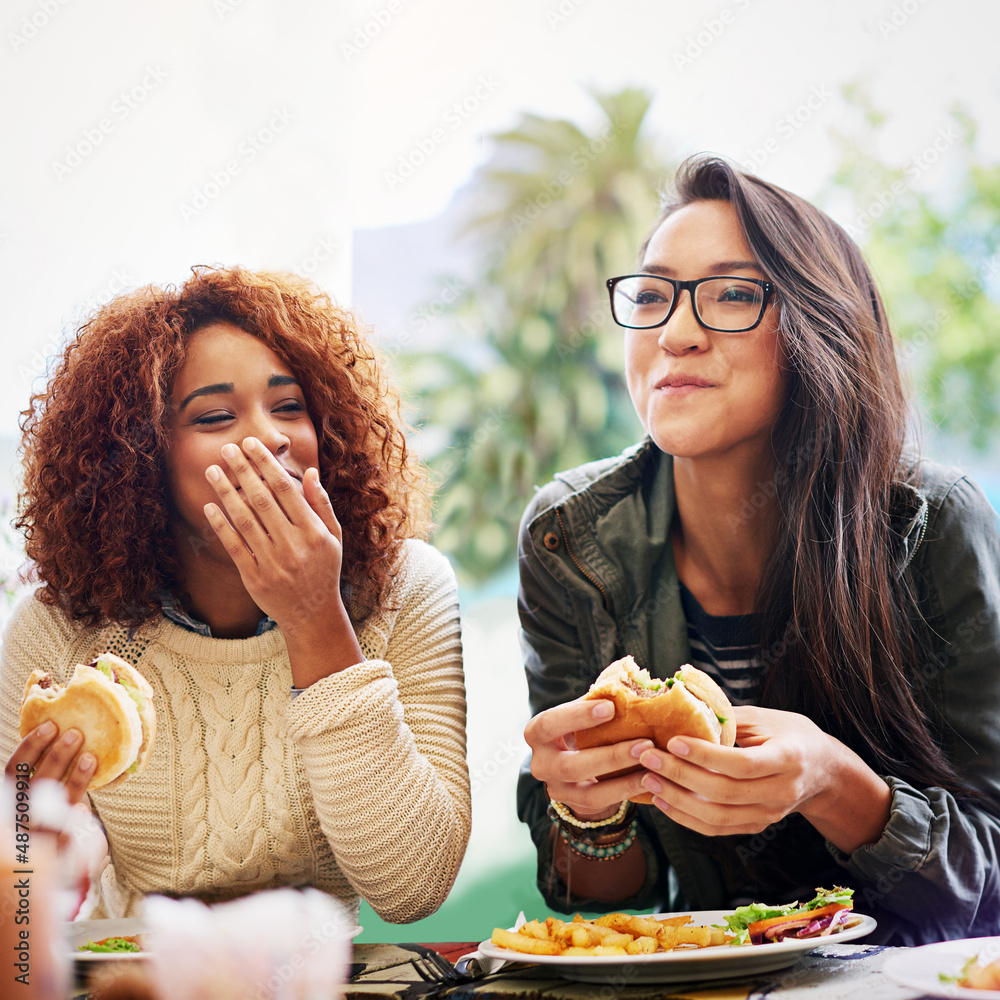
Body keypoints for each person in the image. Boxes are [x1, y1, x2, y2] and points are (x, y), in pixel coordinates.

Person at [517, 154, 1000, 946]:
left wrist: (836, 784)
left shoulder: (932, 523)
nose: (675, 333)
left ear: (822, 327)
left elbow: (990, 883)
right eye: (651, 295)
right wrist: (587, 809)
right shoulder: (568, 539)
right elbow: (589, 897)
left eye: (733, 294)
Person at [1, 266, 471, 923]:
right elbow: (26, 911)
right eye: (216, 416)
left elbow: (412, 888)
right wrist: (30, 834)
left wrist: (315, 619)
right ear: (142, 458)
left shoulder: (405, 588)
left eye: (289, 407)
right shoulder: (61, 626)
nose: (270, 437)